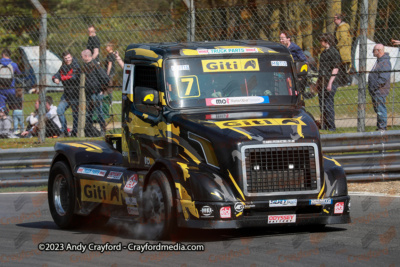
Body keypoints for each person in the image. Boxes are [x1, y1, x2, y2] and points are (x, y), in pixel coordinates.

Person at [315, 33, 342, 131]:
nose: (320, 43)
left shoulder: (334, 52)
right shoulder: (323, 53)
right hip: (322, 81)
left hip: (330, 82)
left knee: (328, 104)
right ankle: (324, 125)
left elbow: (336, 68)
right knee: (322, 105)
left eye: (321, 40)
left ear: (326, 41)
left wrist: (330, 82)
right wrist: (318, 83)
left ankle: (331, 126)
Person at [81, 49, 109, 137]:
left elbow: (105, 78)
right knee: (89, 112)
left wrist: (102, 89)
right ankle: (88, 130)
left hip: (96, 93)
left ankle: (102, 130)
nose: (81, 58)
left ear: (86, 56)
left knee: (98, 111)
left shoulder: (95, 65)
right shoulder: (86, 65)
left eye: (82, 56)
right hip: (89, 93)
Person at [52, 51, 81, 137]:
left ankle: (74, 132)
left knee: (75, 114)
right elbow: (55, 75)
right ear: (63, 59)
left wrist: (60, 78)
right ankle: (64, 131)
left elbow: (73, 77)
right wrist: (55, 79)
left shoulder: (76, 66)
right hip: (67, 94)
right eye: (65, 58)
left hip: (75, 94)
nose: (67, 60)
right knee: (59, 110)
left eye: (69, 58)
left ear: (71, 57)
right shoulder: (63, 67)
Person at [368, 44, 391, 132]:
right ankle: (380, 126)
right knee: (378, 109)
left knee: (380, 108)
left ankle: (382, 127)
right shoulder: (379, 61)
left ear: (379, 51)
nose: (373, 52)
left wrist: (375, 86)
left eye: (374, 50)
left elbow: (383, 78)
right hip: (376, 90)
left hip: (379, 90)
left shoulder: (384, 62)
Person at [334, 14, 352, 86]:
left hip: (343, 51)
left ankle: (345, 82)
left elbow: (344, 39)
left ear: (339, 19)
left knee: (343, 67)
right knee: (342, 67)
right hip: (342, 50)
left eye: (335, 19)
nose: (333, 20)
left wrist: (337, 46)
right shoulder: (339, 27)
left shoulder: (342, 28)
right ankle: (343, 82)